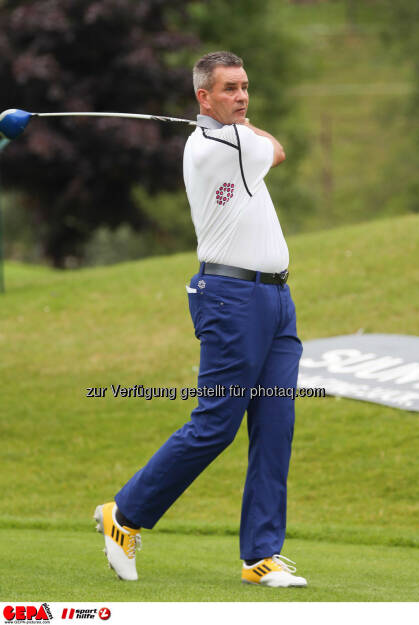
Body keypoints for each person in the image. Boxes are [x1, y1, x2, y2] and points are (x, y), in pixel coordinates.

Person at [94, 51, 307, 589]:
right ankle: (124, 515)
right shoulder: (227, 144)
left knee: (275, 425)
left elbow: (261, 146)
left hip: (276, 300)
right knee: (216, 424)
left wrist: (229, 119)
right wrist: (239, 125)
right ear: (202, 98)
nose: (242, 97)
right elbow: (279, 150)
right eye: (229, 89)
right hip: (232, 299)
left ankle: (261, 555)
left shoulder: (222, 138)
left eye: (245, 88)